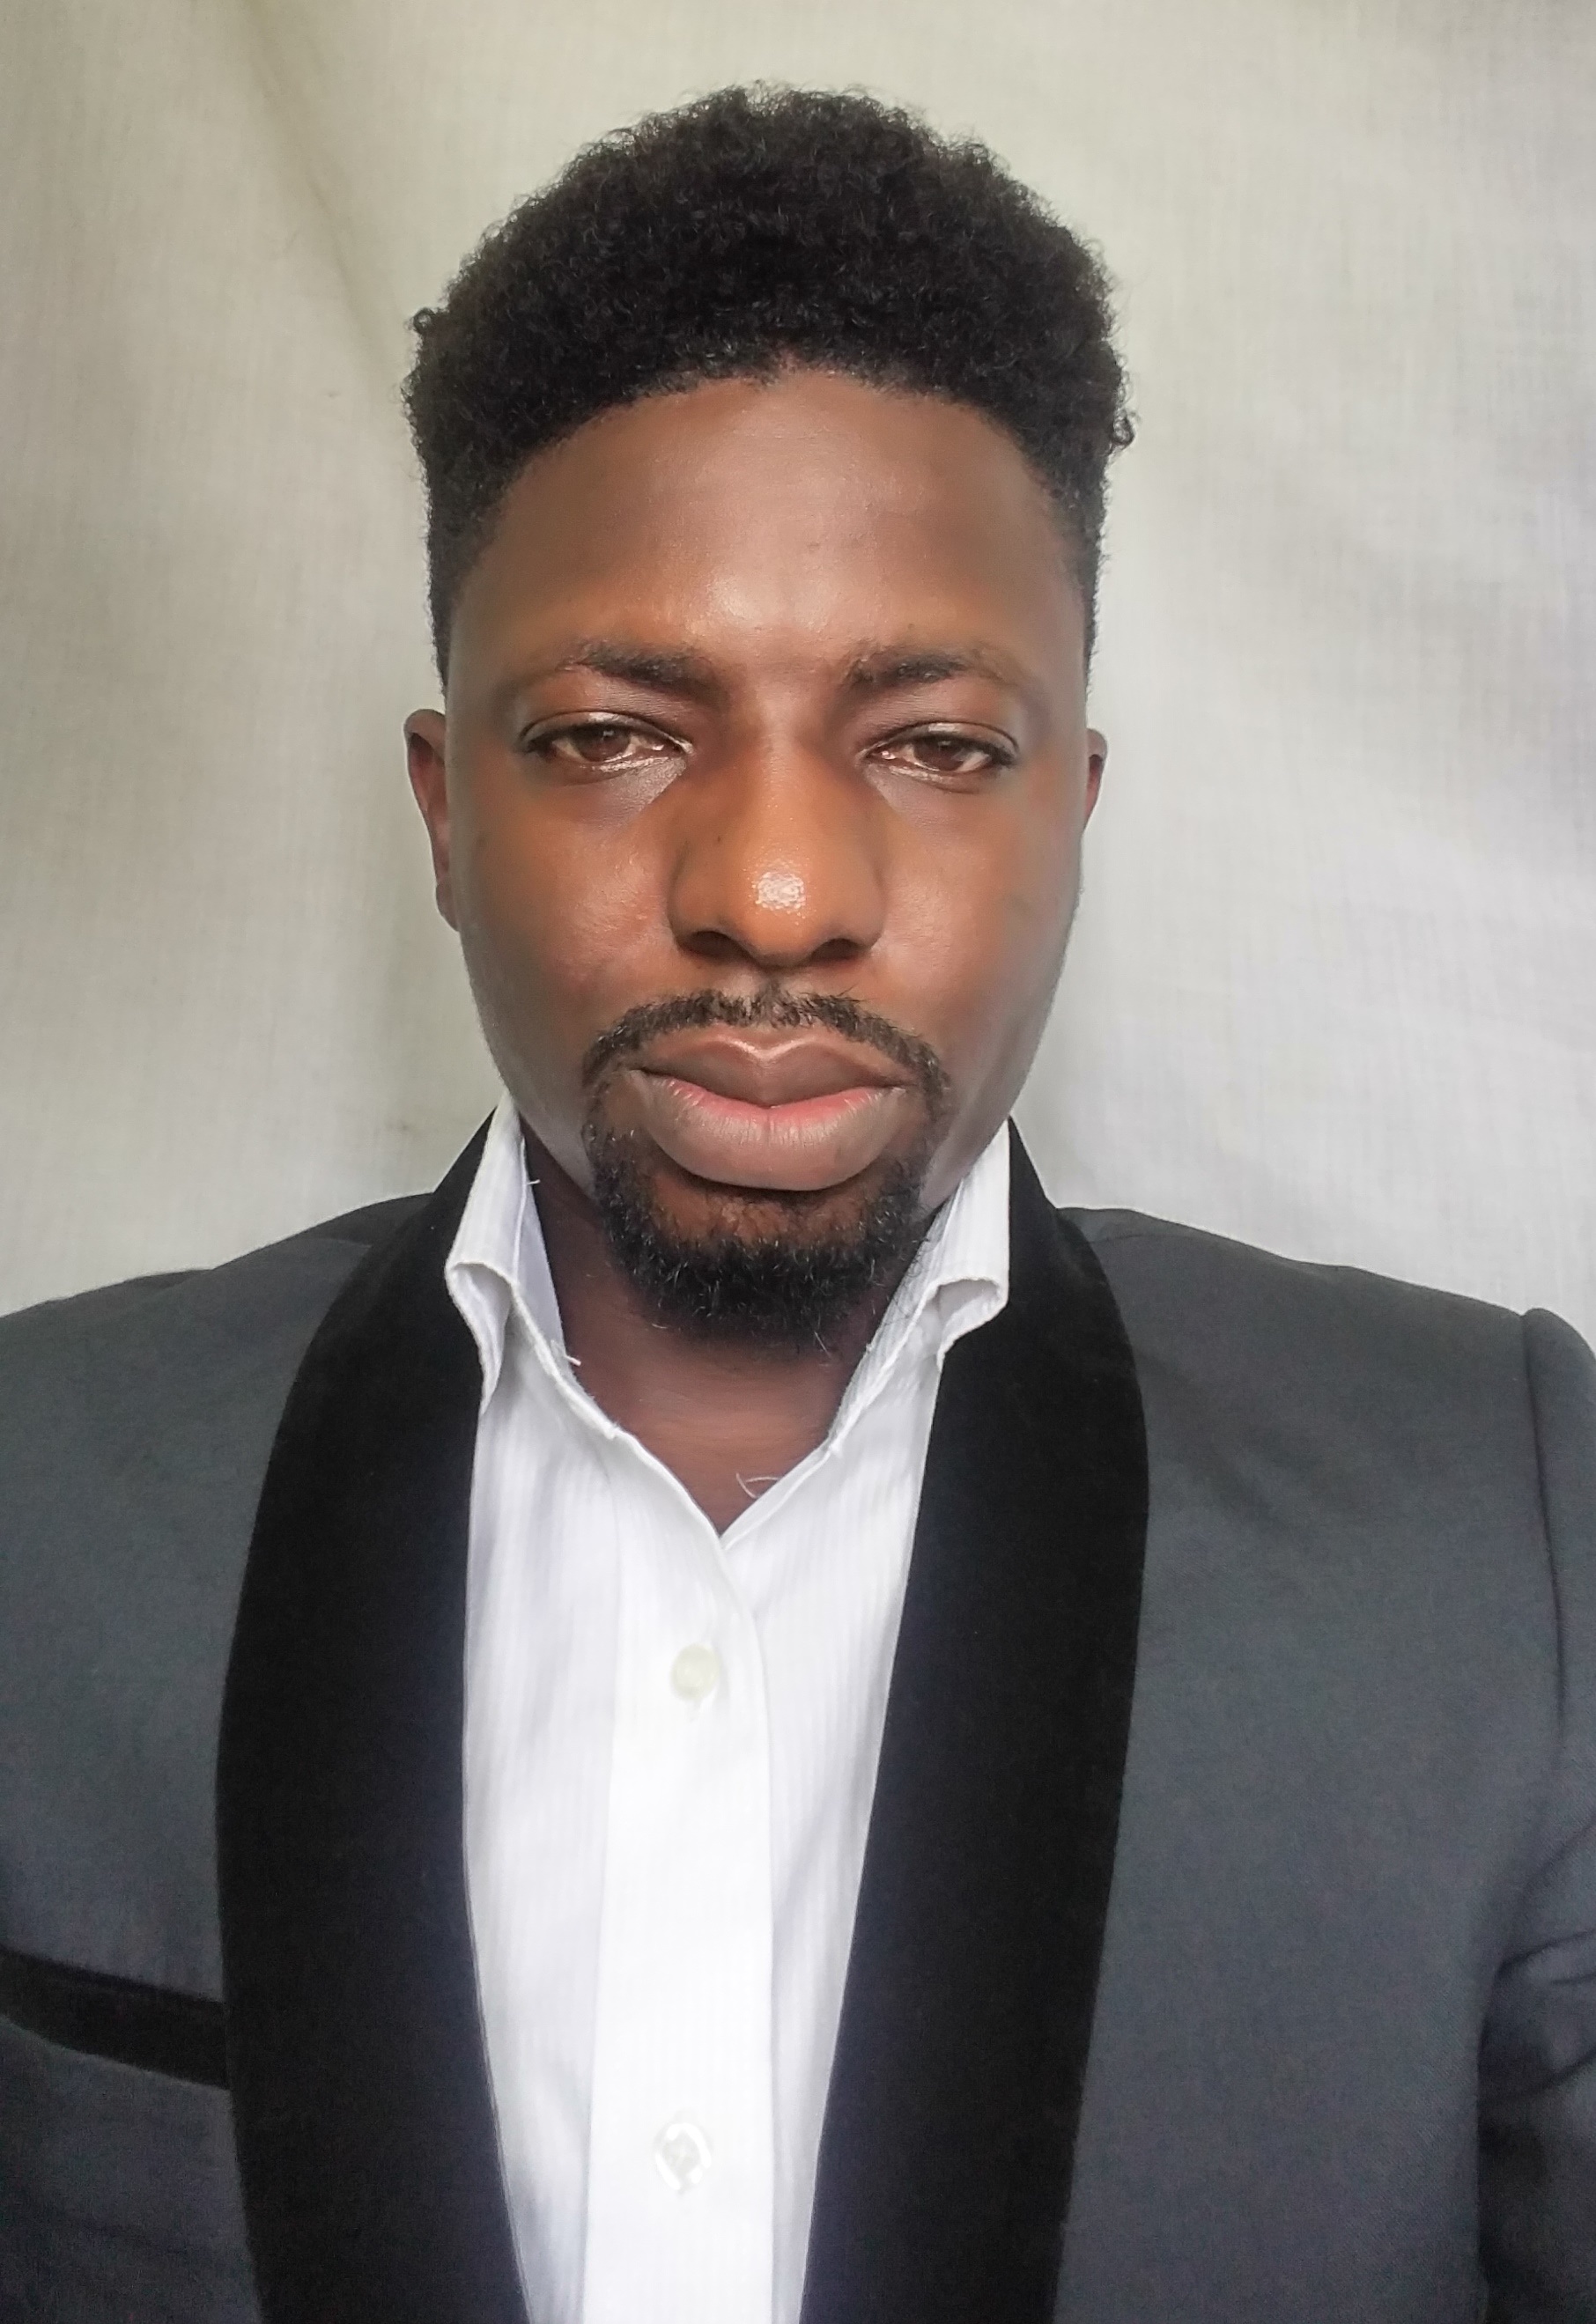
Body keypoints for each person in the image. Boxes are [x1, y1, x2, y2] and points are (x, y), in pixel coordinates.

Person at [0, 81, 1591, 2324]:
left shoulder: (1508, 1535)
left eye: (934, 744)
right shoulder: (39, 1500)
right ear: (445, 815)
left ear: (1073, 811)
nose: (771, 891)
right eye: (614, 733)